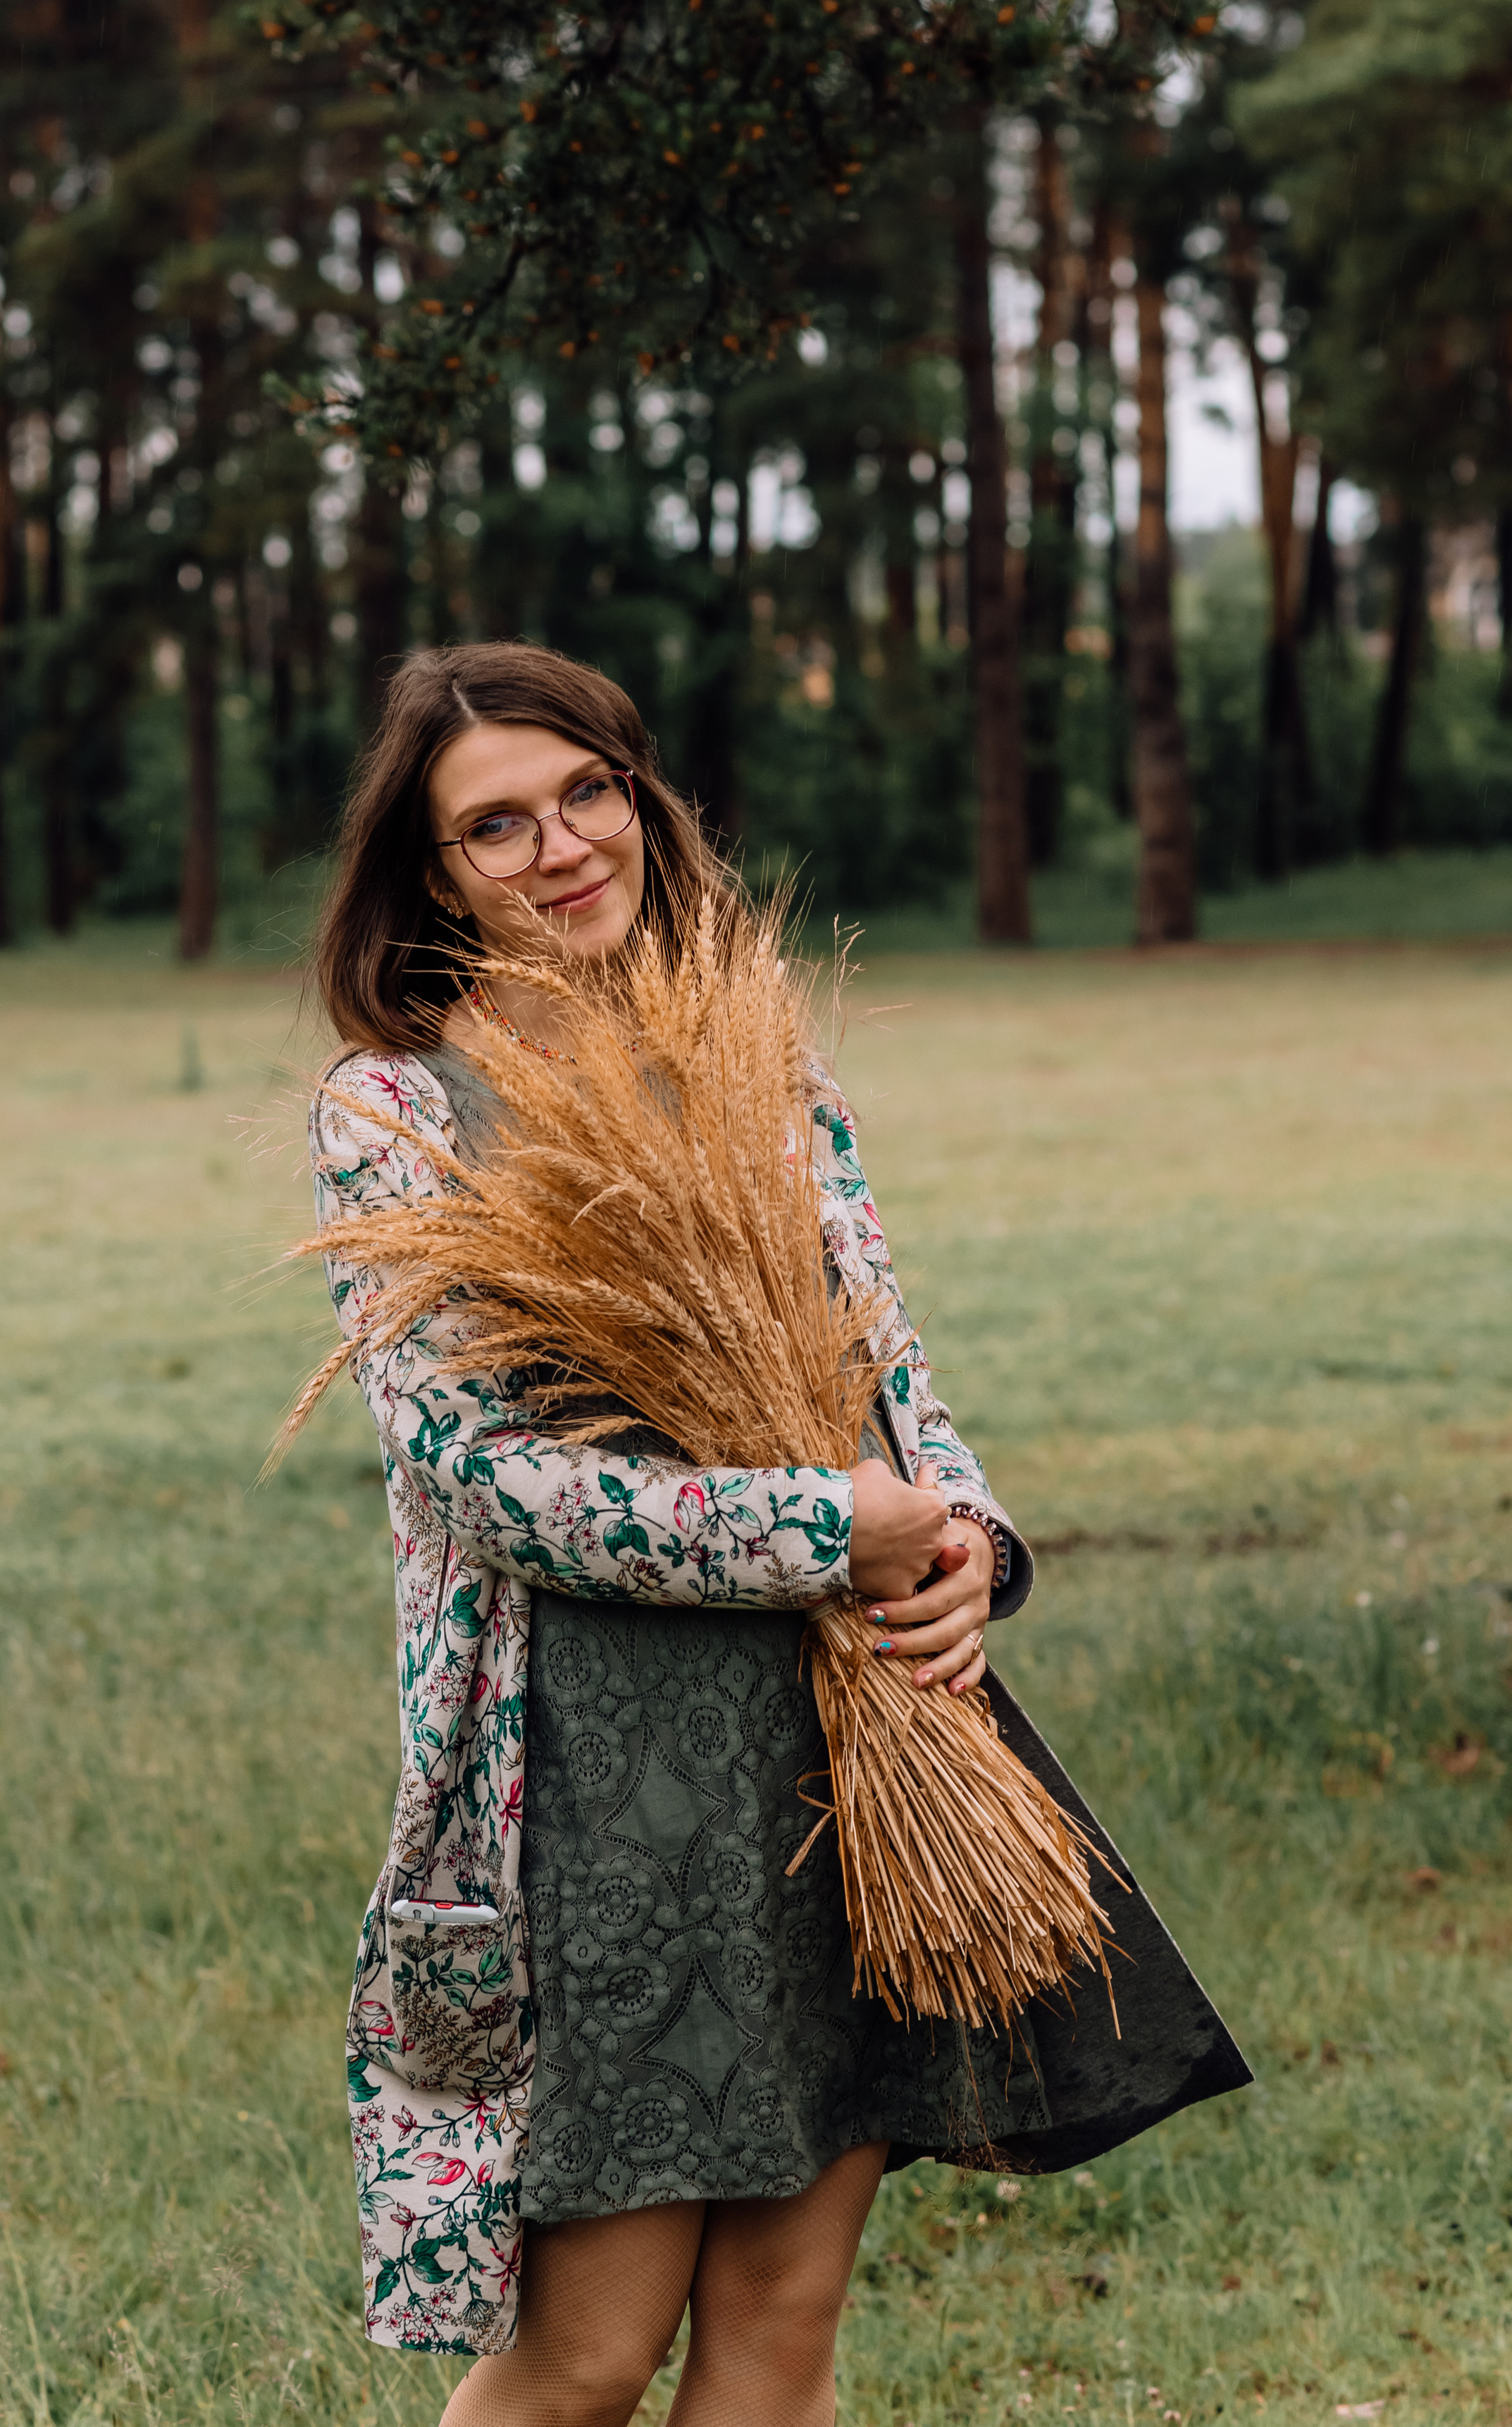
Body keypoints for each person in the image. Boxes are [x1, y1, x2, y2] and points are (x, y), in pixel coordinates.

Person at [307, 644, 1248, 2427]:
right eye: (491, 825)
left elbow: (884, 1368)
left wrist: (962, 1533)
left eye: (584, 791)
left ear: (638, 795)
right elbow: (477, 1481)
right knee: (584, 2355)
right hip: (590, 1778)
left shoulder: (755, 1053)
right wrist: (830, 1521)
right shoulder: (398, 1112)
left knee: (782, 2323)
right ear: (430, 871)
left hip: (840, 1739)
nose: (559, 845)